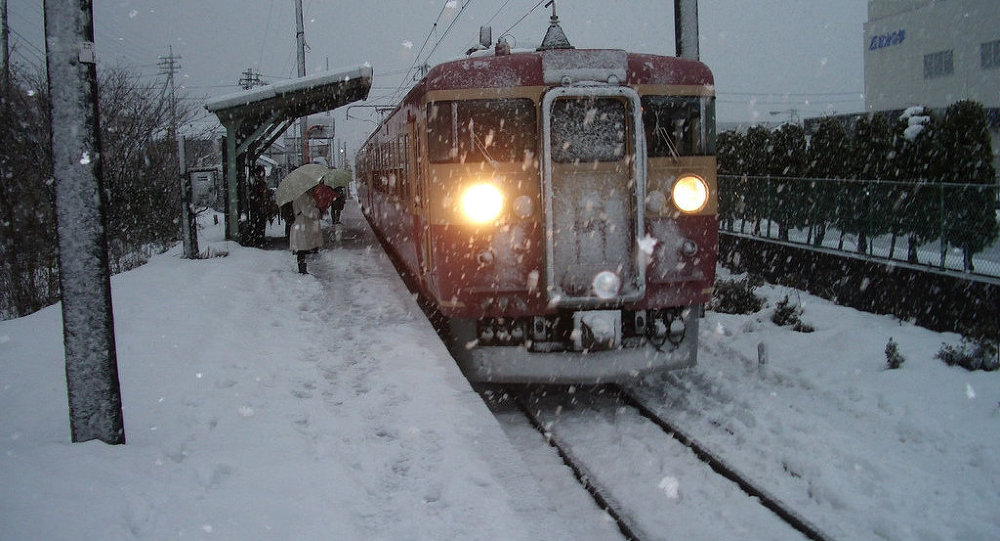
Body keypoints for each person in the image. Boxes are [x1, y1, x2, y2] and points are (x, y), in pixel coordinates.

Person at [289, 185, 324, 274]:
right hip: (302, 224)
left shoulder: (304, 195)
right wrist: (317, 211)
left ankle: (302, 269)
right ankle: (302, 270)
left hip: (303, 224)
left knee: (302, 248)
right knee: (301, 248)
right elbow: (307, 210)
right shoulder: (302, 196)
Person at [247, 165, 271, 248]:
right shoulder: (258, 183)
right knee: (260, 224)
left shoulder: (256, 182)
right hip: (259, 208)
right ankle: (259, 239)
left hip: (259, 207)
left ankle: (260, 238)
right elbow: (260, 195)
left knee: (260, 224)